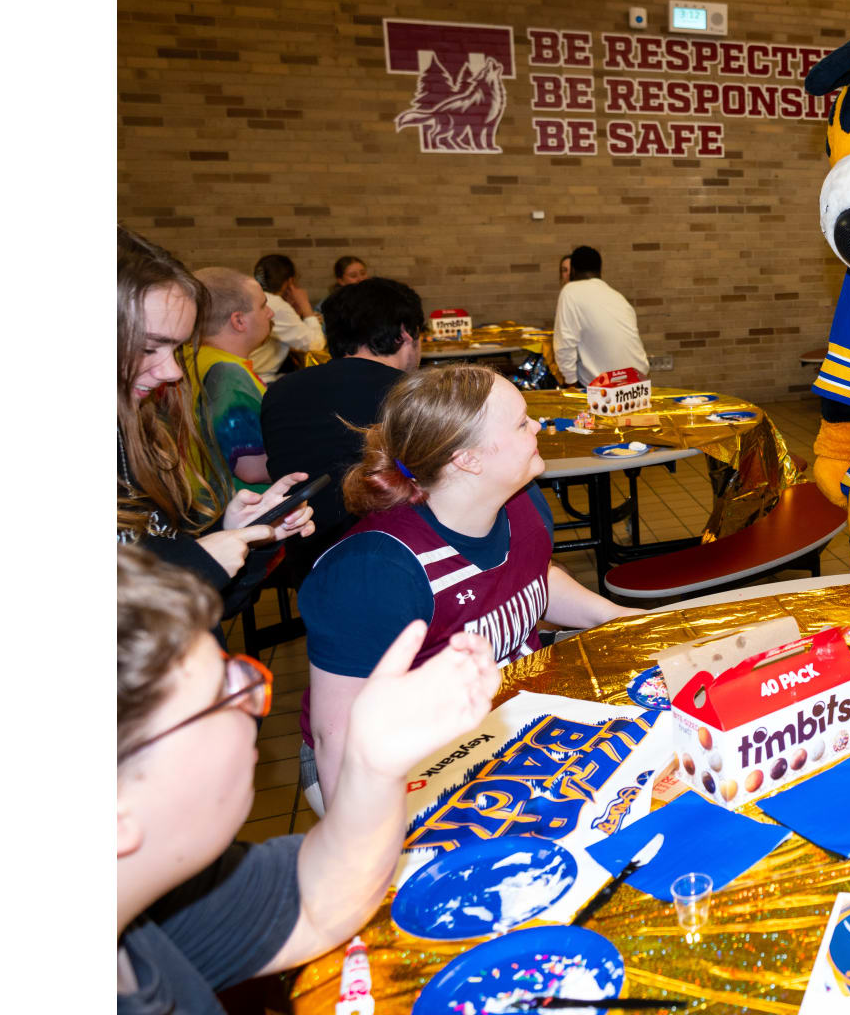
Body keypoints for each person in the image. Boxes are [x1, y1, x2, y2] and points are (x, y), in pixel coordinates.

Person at [116, 543, 499, 1015]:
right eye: (220, 696)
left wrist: (372, 764)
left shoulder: (150, 901)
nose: (257, 701)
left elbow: (319, 902)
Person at [298, 365, 629, 809]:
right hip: (385, 753)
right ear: (468, 459)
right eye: (521, 422)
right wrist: (359, 846)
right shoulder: (373, 572)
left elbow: (531, 575)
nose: (538, 426)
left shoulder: (520, 500)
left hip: (502, 704)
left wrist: (615, 617)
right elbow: (337, 734)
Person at [117, 227, 313, 614]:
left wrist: (239, 538)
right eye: (149, 347)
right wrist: (201, 562)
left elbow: (207, 605)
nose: (172, 371)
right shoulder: (225, 373)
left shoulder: (136, 435)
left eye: (175, 348)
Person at [260, 277, 425, 583]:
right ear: (405, 333)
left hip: (307, 564)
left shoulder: (280, 391)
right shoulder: (413, 395)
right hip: (403, 563)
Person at [188, 267, 276, 491]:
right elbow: (251, 468)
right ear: (238, 321)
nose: (270, 313)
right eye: (263, 305)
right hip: (235, 507)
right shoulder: (228, 375)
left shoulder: (189, 357)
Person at [553, 245, 648, 385]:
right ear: (600, 270)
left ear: (573, 270)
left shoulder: (571, 291)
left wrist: (570, 383)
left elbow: (565, 345)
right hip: (638, 379)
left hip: (607, 386)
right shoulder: (617, 296)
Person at [250, 253, 327, 384]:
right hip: (260, 379)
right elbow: (316, 346)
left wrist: (296, 312)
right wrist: (305, 306)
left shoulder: (253, 296)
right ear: (290, 282)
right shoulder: (275, 304)